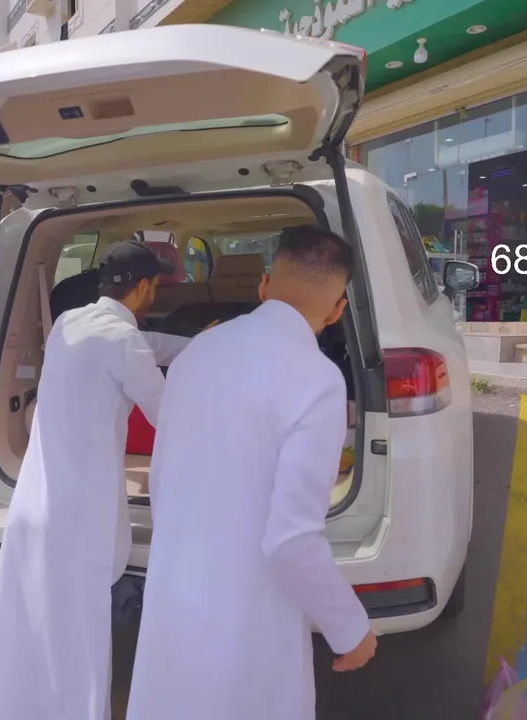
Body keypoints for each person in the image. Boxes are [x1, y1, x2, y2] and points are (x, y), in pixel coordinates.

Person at [125, 225, 377, 720]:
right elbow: (292, 540)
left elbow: (163, 479)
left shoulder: (197, 352)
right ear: (336, 310)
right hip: (249, 613)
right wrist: (350, 629)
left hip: (175, 591)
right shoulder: (318, 380)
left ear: (263, 286)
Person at [0, 240, 193, 720]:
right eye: (155, 285)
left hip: (35, 506)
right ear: (144, 287)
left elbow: (142, 344)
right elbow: (171, 417)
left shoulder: (68, 324)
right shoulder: (124, 343)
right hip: (81, 522)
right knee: (78, 642)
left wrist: (202, 344)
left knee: (29, 627)